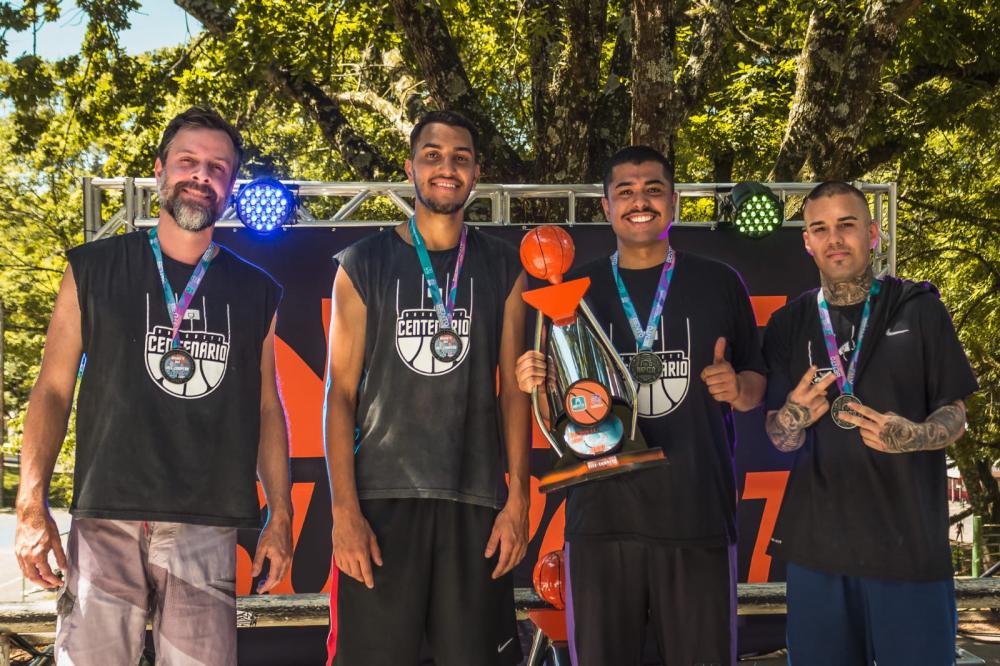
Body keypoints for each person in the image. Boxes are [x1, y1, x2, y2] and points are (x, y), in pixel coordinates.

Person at [14, 106, 292, 665]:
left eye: (218, 167)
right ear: (161, 169)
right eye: (188, 161)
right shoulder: (92, 268)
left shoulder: (256, 290)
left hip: (204, 522)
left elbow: (267, 407)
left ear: (231, 186)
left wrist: (280, 514)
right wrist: (29, 504)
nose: (202, 175)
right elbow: (51, 390)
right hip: (106, 516)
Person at [516, 145, 766, 666]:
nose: (640, 201)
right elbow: (558, 408)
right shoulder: (573, 291)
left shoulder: (719, 282)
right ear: (605, 207)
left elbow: (757, 383)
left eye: (653, 189)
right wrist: (535, 381)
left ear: (673, 202)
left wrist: (737, 387)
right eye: (625, 191)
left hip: (696, 514)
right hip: (601, 519)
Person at [324, 110, 530, 666]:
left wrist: (518, 498)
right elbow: (338, 396)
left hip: (476, 502)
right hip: (382, 504)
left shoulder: (506, 267)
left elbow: (515, 392)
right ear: (411, 167)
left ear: (476, 172)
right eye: (433, 155)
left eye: (460, 157)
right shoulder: (362, 263)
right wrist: (344, 512)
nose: (447, 167)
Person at [763, 181, 978, 665]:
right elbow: (775, 435)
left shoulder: (918, 308)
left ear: (873, 233)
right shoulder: (789, 322)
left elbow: (957, 415)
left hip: (909, 546)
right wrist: (793, 417)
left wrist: (914, 436)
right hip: (819, 552)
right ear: (807, 241)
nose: (834, 238)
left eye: (847, 225)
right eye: (820, 228)